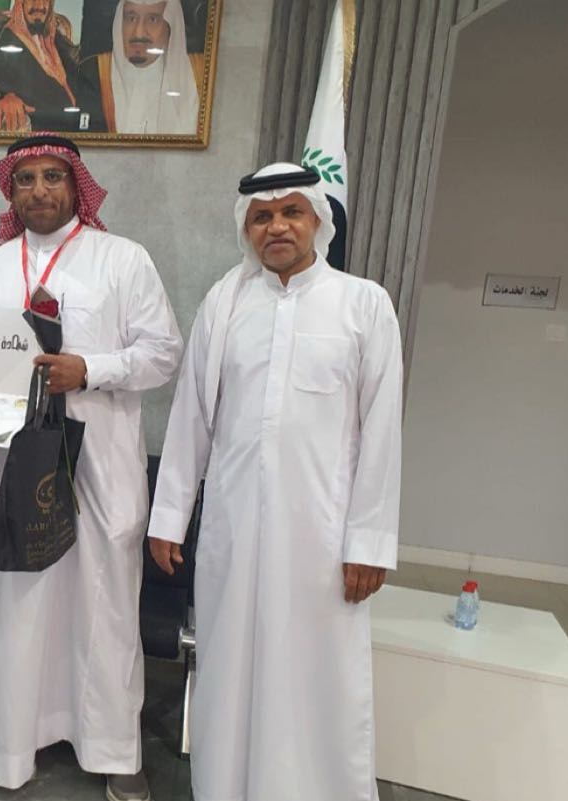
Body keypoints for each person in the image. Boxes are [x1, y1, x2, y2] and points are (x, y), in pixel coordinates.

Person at [147, 162, 403, 801]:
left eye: (292, 212)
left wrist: (369, 543)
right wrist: (169, 517)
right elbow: (191, 417)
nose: (277, 226)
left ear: (318, 220)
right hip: (233, 531)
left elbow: (382, 435)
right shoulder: (225, 303)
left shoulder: (363, 305)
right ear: (247, 228)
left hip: (321, 539)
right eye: (262, 216)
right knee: (229, 670)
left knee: (317, 676)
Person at [0, 133, 182, 801]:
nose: (40, 191)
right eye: (26, 180)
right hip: (12, 462)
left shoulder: (124, 261)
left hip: (99, 465)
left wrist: (91, 369)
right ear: (11, 190)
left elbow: (163, 353)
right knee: (16, 602)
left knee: (104, 604)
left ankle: (113, 750)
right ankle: (12, 746)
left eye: (54, 176)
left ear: (76, 184)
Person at [0, 0, 103, 132]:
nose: (39, 6)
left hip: (79, 131)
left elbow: (83, 77)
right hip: (38, 132)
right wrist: (2, 96)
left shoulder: (57, 40)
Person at [80, 0, 200, 134]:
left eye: (152, 19)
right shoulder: (92, 74)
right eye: (131, 19)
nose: (139, 33)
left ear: (170, 26)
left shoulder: (197, 77)